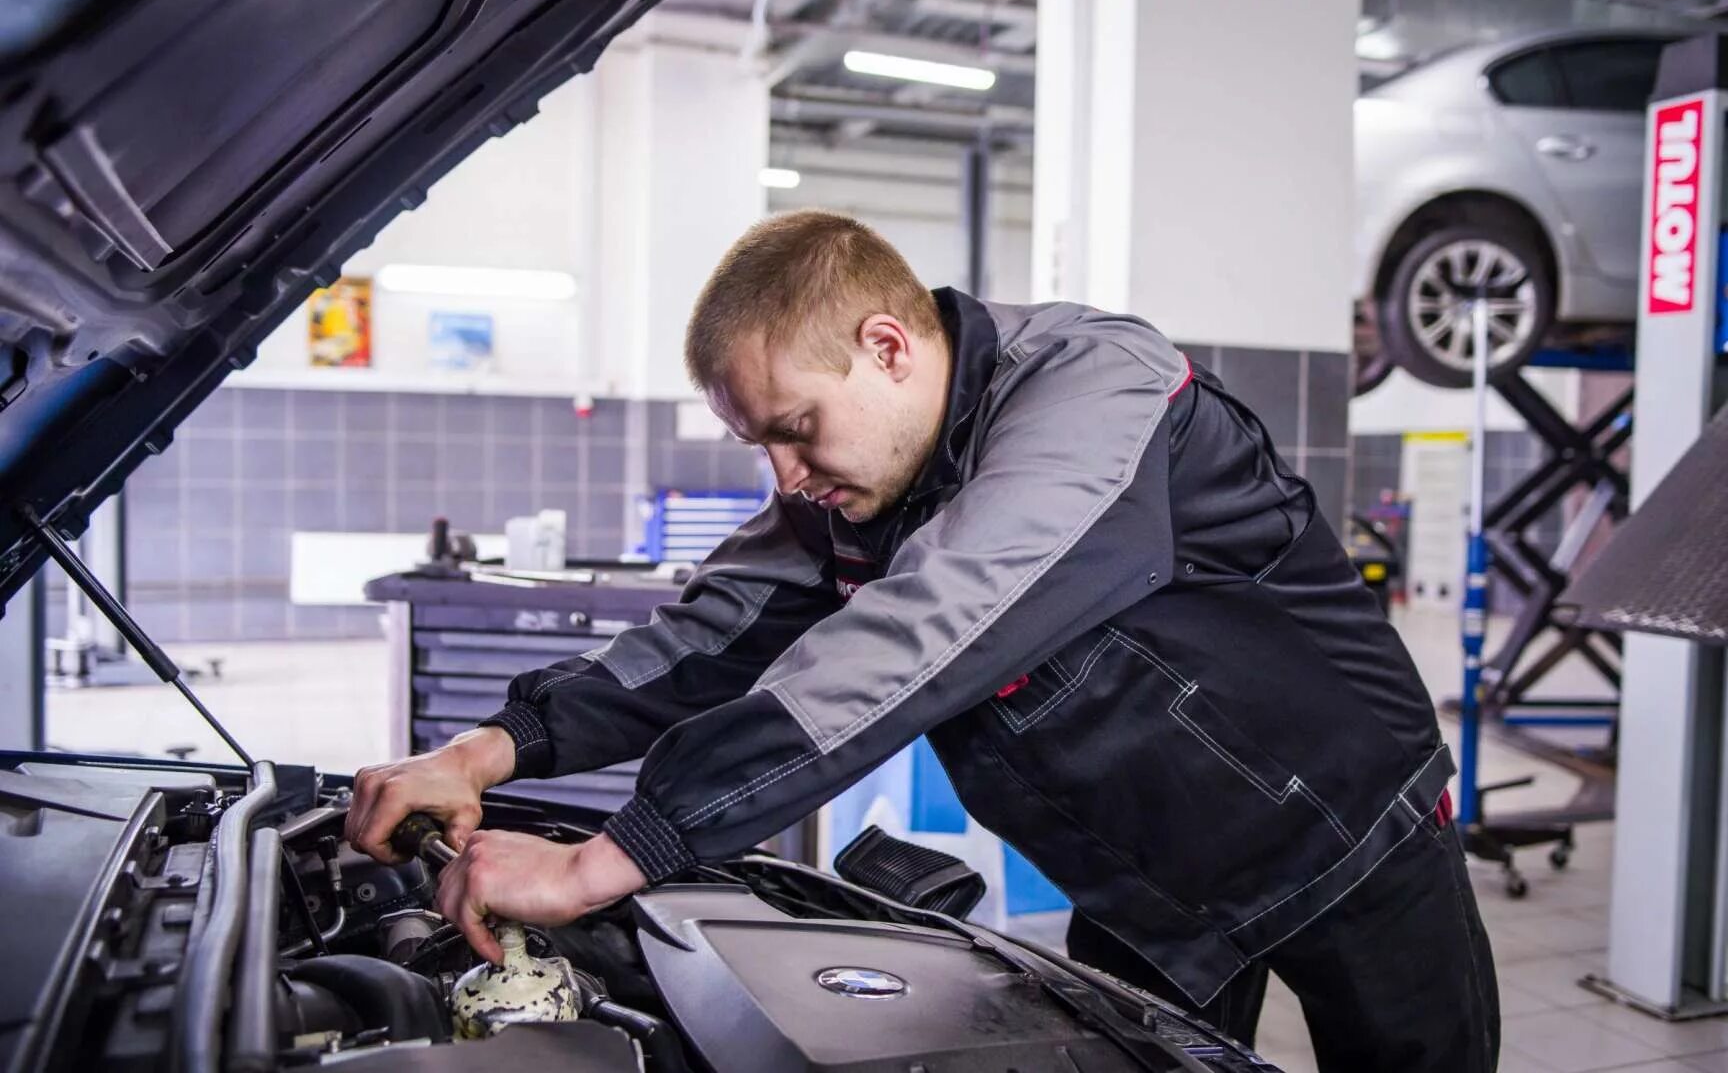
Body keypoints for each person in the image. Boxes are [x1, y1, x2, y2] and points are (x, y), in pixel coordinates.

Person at [347, 210, 1498, 1071]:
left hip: (1346, 835)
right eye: (762, 446)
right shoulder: (853, 486)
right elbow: (711, 629)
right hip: (1146, 875)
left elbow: (930, 624)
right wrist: (490, 748)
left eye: (796, 430)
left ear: (889, 347)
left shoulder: (1098, 395)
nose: (785, 477)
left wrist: (610, 857)